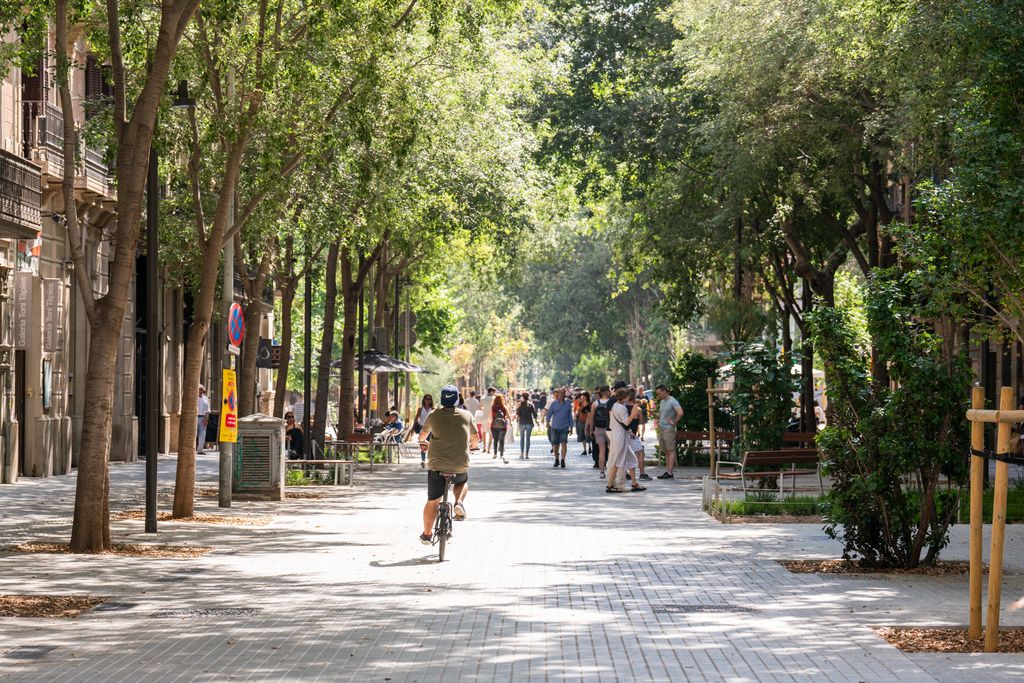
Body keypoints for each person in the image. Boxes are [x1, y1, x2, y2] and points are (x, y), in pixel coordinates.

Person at [419, 384, 472, 544]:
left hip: (436, 464)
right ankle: (459, 503)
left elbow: (422, 436)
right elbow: (475, 439)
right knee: (462, 480)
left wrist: (423, 442)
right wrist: (473, 446)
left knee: (433, 500)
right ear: (457, 399)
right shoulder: (466, 415)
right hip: (459, 463)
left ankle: (427, 535)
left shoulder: (433, 415)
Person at [606, 387, 645, 493]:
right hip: (620, 437)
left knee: (631, 459)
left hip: (619, 435)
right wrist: (633, 413)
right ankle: (609, 486)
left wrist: (634, 407)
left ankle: (634, 483)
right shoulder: (621, 408)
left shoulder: (616, 405)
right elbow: (626, 422)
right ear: (624, 397)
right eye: (628, 396)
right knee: (617, 461)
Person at [655, 384, 683, 479]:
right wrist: (654, 415)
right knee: (666, 451)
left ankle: (670, 473)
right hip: (662, 429)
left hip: (669, 429)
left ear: (664, 391)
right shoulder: (662, 402)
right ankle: (668, 471)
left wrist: (674, 422)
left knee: (670, 450)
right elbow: (661, 415)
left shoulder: (673, 401)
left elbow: (680, 412)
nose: (658, 396)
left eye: (659, 393)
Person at [586, 386, 613, 476]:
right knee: (612, 449)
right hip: (610, 429)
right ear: (607, 392)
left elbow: (591, 418)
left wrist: (591, 430)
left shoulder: (595, 403)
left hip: (598, 429)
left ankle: (602, 471)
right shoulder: (612, 403)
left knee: (602, 450)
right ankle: (611, 469)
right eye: (609, 390)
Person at [546, 388, 573, 468]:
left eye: (563, 393)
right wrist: (547, 422)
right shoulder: (554, 404)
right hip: (555, 427)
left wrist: (571, 427)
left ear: (565, 395)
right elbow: (549, 413)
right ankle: (557, 459)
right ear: (557, 394)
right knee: (555, 445)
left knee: (564, 443)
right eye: (560, 393)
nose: (561, 395)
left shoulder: (568, 404)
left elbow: (570, 417)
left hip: (564, 427)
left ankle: (563, 460)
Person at [490, 393, 511, 463]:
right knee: (501, 440)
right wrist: (506, 419)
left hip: (494, 425)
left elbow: (490, 416)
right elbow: (508, 416)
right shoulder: (504, 407)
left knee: (495, 440)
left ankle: (495, 454)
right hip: (502, 426)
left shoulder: (492, 407)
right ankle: (501, 454)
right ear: (502, 400)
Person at [414, 395, 434, 468]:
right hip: (423, 429)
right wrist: (414, 427)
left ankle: (430, 460)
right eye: (427, 399)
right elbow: (416, 418)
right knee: (423, 445)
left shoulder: (433, 409)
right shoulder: (420, 409)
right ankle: (423, 460)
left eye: (430, 399)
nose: (428, 400)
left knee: (431, 445)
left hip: (431, 429)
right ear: (424, 400)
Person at [516, 393, 536, 459]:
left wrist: (517, 419)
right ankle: (527, 454)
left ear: (522, 397)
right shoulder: (531, 405)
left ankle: (521, 454)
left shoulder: (519, 405)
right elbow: (535, 415)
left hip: (521, 423)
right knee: (528, 439)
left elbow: (518, 414)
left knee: (522, 438)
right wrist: (536, 421)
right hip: (529, 423)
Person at [480, 387, 496, 453]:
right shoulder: (494, 398)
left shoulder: (483, 398)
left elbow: (480, 406)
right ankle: (489, 449)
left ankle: (484, 448)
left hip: (484, 417)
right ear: (492, 392)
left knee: (484, 432)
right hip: (491, 418)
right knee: (491, 434)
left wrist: (484, 409)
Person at [576, 391, 592, 456]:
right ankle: (585, 450)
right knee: (582, 435)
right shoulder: (580, 404)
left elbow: (590, 414)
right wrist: (576, 413)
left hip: (587, 422)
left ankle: (590, 447)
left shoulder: (590, 405)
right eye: (581, 396)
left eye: (583, 396)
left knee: (588, 435)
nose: (582, 397)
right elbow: (578, 410)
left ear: (586, 397)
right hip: (580, 421)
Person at [197, 386, 211, 454]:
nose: (201, 391)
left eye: (202, 389)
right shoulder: (194, 397)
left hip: (203, 417)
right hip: (194, 417)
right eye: (200, 389)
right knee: (194, 434)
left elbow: (208, 409)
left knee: (202, 434)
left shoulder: (205, 398)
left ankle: (200, 450)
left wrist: (206, 418)